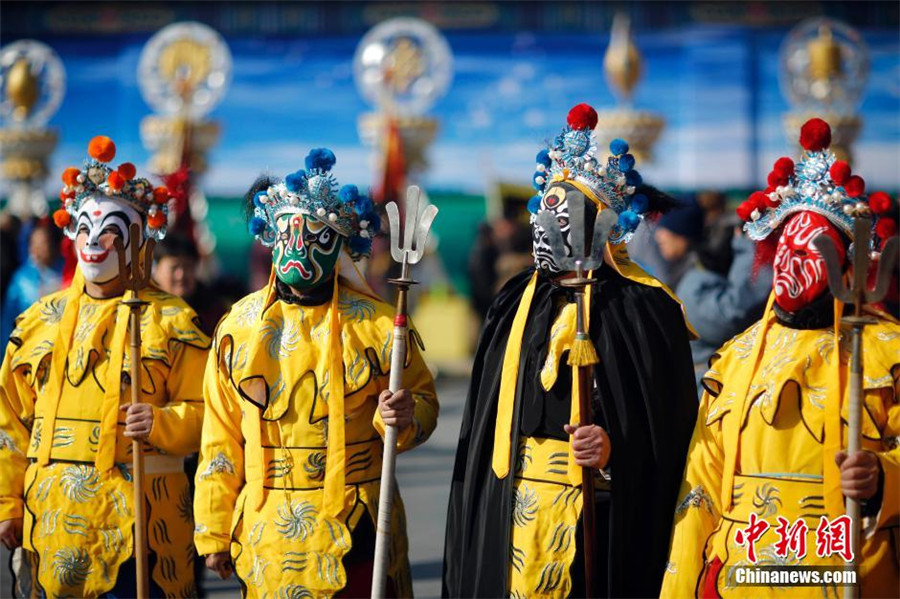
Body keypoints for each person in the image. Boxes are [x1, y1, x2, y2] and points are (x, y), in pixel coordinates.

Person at [442, 104, 698, 598]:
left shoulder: (644, 309)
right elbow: (484, 423)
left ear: (599, 225)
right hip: (511, 508)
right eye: (542, 208)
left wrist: (612, 450)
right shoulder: (514, 301)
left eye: (561, 214)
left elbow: (668, 433)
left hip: (596, 517)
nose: (542, 224)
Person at [662, 118, 900, 598]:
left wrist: (882, 477)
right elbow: (700, 486)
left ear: (847, 258)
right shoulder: (734, 358)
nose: (795, 263)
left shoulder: (885, 352)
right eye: (786, 248)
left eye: (814, 250)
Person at [193, 148, 439, 598]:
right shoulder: (238, 328)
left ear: (340, 247)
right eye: (289, 235)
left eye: (317, 239)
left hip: (356, 521)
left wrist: (402, 416)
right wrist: (213, 528)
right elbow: (221, 435)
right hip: (265, 526)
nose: (299, 248)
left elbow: (423, 405)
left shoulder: (380, 325)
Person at [0, 136, 210, 597]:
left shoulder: (171, 320)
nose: (96, 239)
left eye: (112, 228)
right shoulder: (38, 321)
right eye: (86, 226)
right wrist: (7, 502)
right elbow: (10, 422)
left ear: (137, 239)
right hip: (50, 522)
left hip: (139, 523)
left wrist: (161, 422)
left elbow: (212, 414)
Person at [1, 219, 64, 349]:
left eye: (43, 243)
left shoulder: (68, 273)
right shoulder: (22, 278)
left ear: (54, 244)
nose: (37, 249)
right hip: (30, 345)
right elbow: (9, 317)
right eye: (34, 243)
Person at [154, 233, 227, 337]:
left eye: (187, 266)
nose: (181, 275)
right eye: (174, 268)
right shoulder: (144, 309)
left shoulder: (212, 311)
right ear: (156, 270)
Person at [652, 197, 704, 289]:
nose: (658, 236)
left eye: (666, 228)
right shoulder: (678, 270)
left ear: (683, 234)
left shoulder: (697, 279)